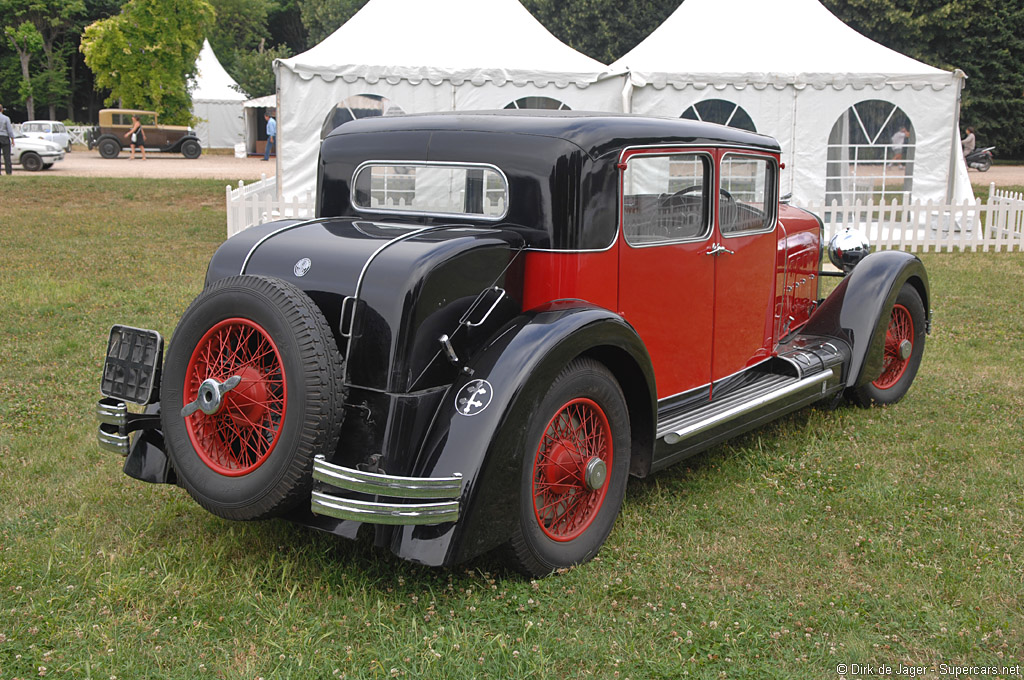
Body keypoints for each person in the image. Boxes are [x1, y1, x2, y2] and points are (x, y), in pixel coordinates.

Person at [0, 104, 15, 175]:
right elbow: (9, 130)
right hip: (4, 137)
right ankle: (8, 172)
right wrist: (12, 139)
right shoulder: (6, 118)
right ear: (2, 110)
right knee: (7, 156)